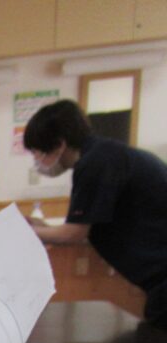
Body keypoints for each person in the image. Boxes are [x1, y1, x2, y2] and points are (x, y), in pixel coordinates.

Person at [24, 99, 167, 326]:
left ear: (59, 144)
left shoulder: (95, 163)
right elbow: (86, 228)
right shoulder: (107, 154)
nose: (37, 161)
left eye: (38, 152)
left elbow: (74, 233)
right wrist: (44, 230)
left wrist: (26, 232)